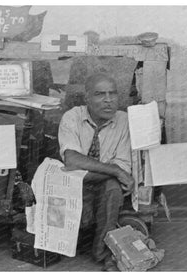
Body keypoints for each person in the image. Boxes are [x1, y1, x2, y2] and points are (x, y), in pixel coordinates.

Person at [58, 73, 134, 271]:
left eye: (113, 94)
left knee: (113, 189)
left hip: (101, 182)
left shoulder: (124, 121)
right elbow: (71, 160)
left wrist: (114, 172)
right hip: (74, 185)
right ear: (87, 99)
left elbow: (125, 167)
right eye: (100, 94)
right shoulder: (72, 117)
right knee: (112, 179)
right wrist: (114, 170)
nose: (108, 100)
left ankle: (103, 253)